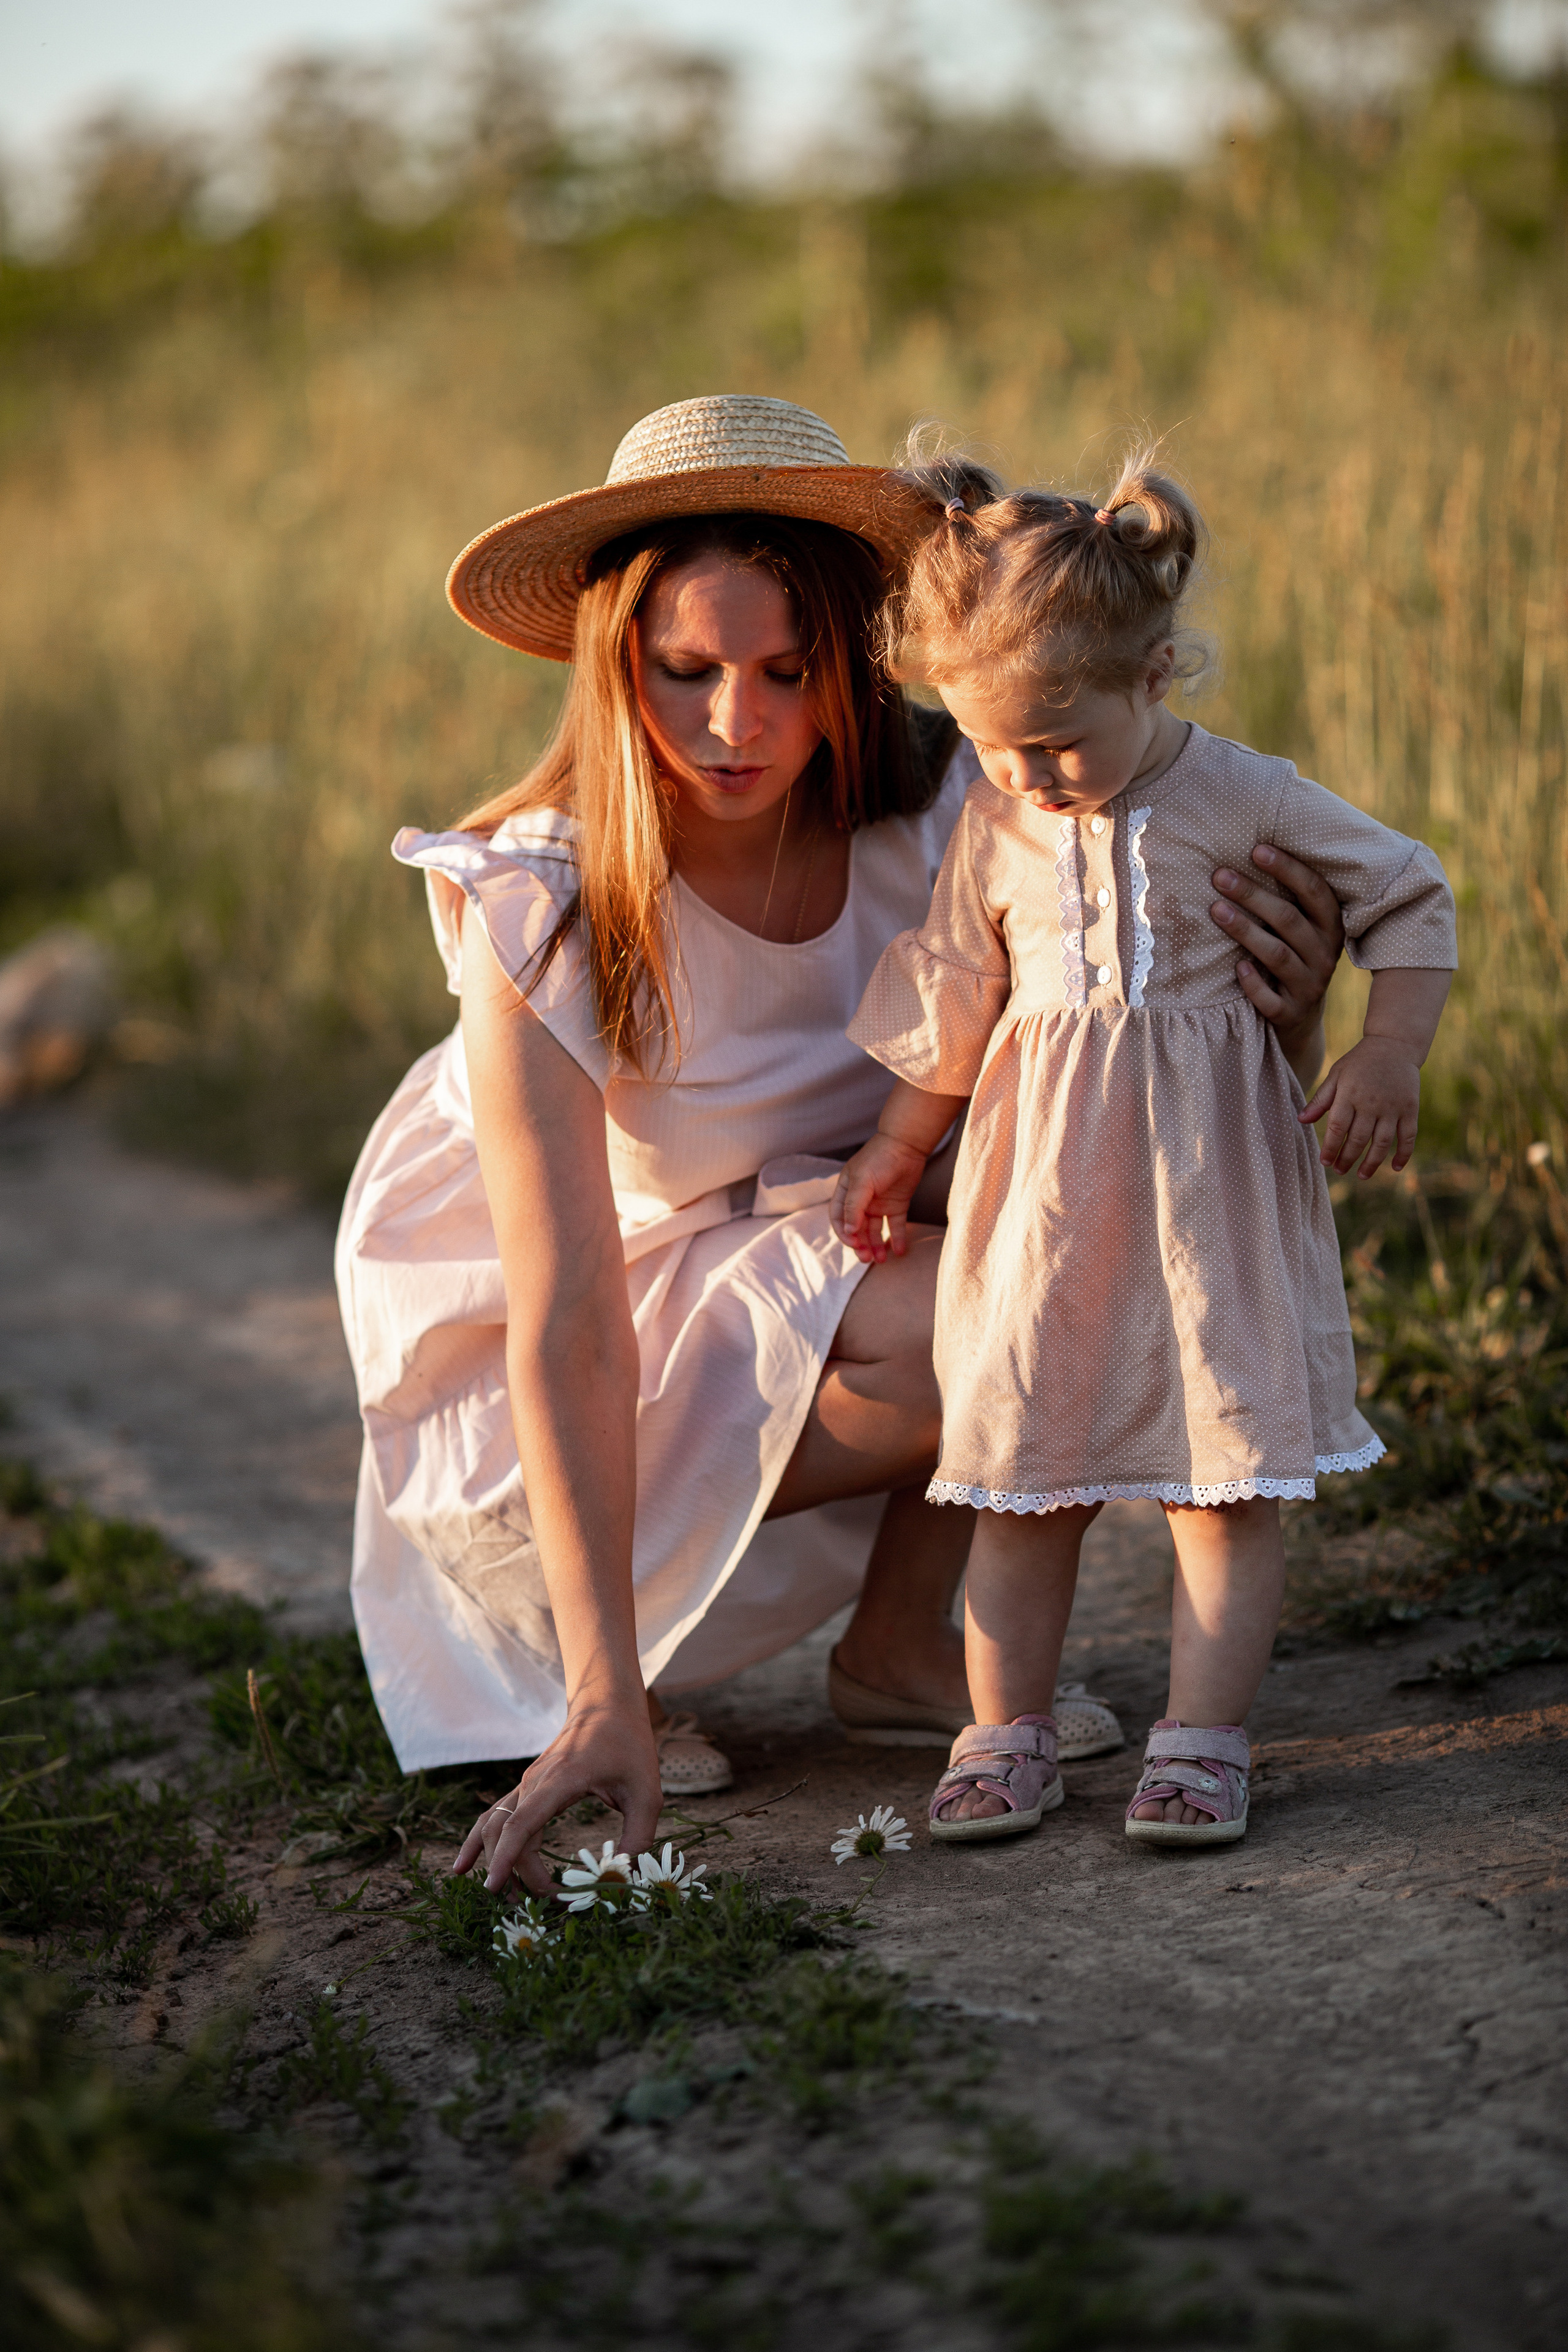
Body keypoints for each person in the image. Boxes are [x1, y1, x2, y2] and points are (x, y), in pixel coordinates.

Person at [333, 397, 1346, 1901]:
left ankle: (894, 1649)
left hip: (798, 1262)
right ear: (616, 668)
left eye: (783, 673)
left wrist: (1295, 1003)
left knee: (1036, 1209)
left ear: (856, 665)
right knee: (977, 1302)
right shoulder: (543, 900)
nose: (732, 724)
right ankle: (582, 1659)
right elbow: (566, 1321)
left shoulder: (957, 806)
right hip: (558, 1369)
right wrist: (605, 1690)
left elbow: (1130, 1077)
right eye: (681, 672)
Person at [831, 445, 1456, 1849]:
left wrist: (1385, 1051)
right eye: (991, 744)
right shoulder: (994, 816)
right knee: (1019, 1472)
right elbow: (953, 991)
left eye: (1057, 738)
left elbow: (1409, 895)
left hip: (1209, 1191)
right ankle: (1004, 1731)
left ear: (1156, 671)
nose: (1025, 773)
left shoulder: (1245, 795)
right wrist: (890, 1148)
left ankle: (1201, 1741)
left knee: (1215, 1478)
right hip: (1040, 1200)